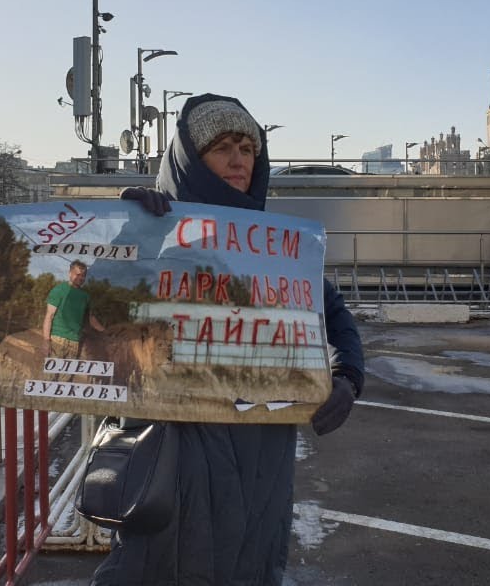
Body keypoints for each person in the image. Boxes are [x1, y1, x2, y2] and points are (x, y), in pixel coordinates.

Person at [94, 93, 364, 585]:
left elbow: (329, 310)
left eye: (248, 147)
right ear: (191, 160)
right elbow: (96, 305)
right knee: (159, 560)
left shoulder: (272, 245)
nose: (239, 160)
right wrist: (130, 232)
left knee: (252, 559)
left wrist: (348, 374)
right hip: (172, 437)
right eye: (222, 148)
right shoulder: (155, 227)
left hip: (261, 439)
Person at [42, 261, 106, 360]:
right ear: (70, 273)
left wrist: (105, 332)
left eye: (83, 276)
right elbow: (49, 316)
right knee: (50, 375)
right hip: (58, 339)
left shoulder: (85, 296)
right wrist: (46, 341)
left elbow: (90, 318)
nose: (81, 278)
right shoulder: (59, 290)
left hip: (75, 342)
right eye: (78, 275)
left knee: (67, 375)